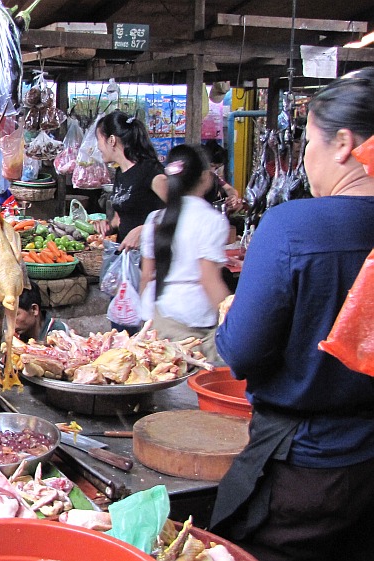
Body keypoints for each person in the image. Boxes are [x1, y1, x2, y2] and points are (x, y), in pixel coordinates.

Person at [209, 69, 374, 561]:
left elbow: (240, 351)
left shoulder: (294, 227)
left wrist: (232, 314)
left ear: (343, 143)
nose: (304, 159)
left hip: (308, 467)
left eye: (307, 143)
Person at [137, 145, 229, 364]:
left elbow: (146, 276)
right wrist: (234, 317)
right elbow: (209, 280)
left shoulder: (155, 219)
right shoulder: (211, 220)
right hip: (192, 323)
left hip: (156, 319)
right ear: (206, 177)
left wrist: (145, 321)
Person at [93, 110, 167, 334]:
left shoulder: (151, 172)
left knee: (141, 333)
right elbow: (123, 213)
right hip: (128, 267)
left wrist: (146, 229)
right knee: (122, 331)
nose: (98, 147)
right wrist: (110, 225)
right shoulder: (122, 174)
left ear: (112, 140)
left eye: (99, 140)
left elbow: (181, 211)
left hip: (150, 269)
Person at [203, 140, 244, 212]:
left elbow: (229, 189)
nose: (214, 170)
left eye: (217, 168)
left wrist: (233, 197)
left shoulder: (214, 177)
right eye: (212, 166)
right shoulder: (195, 179)